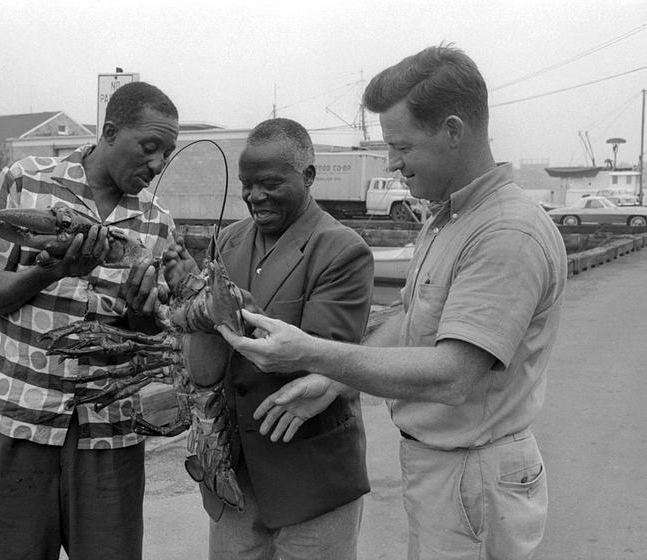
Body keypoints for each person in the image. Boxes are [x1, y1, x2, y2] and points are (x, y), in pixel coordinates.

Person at [218, 46, 567, 560]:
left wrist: (313, 355)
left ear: (453, 130)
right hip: (443, 467)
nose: (391, 162)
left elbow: (455, 373)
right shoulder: (449, 218)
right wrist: (332, 382)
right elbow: (409, 316)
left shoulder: (506, 231)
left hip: (475, 469)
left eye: (400, 145)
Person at [0, 81, 194, 560]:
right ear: (109, 132)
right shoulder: (27, 179)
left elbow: (149, 337)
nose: (156, 165)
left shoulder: (157, 223)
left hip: (109, 432)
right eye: (149, 147)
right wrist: (52, 269)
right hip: (17, 421)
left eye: (166, 154)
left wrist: (139, 310)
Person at [198, 117, 375, 560]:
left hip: (310, 477)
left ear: (308, 176)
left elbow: (319, 360)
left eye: (270, 184)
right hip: (234, 475)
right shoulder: (227, 241)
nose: (254, 196)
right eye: (246, 183)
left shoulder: (342, 249)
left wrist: (231, 316)